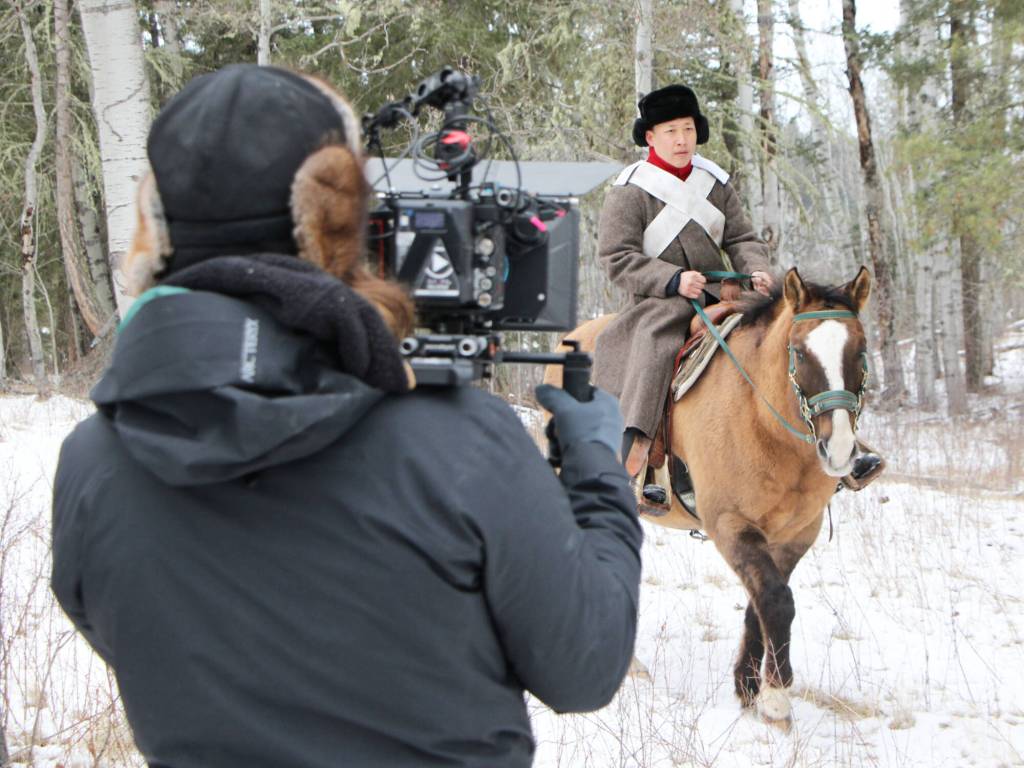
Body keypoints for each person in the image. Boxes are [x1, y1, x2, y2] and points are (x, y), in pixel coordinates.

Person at [51, 64, 642, 768]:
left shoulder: (92, 463)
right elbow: (586, 665)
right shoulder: (458, 442)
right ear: (338, 225)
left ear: (156, 228)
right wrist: (596, 471)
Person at [593, 84, 773, 510]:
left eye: (688, 129)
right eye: (670, 131)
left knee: (786, 332)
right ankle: (638, 461)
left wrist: (755, 269)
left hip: (723, 293)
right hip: (658, 301)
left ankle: (828, 441)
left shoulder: (715, 182)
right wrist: (673, 279)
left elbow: (742, 238)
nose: (681, 140)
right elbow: (616, 257)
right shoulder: (630, 189)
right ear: (650, 137)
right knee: (657, 345)